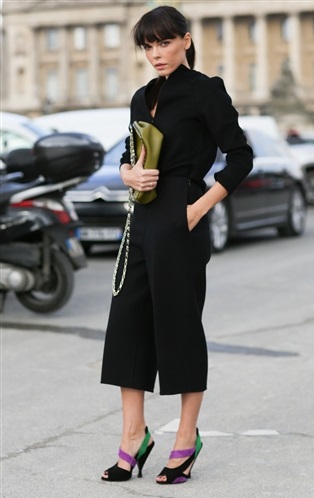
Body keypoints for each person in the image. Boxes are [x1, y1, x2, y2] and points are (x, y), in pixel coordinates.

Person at [100, 6, 253, 485]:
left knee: (180, 326)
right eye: (147, 46)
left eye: (163, 43)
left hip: (182, 215)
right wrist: (128, 173)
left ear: (185, 41)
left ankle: (185, 438)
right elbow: (131, 153)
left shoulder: (207, 90)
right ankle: (133, 437)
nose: (155, 54)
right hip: (139, 218)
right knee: (126, 325)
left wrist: (199, 206)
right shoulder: (139, 98)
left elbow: (241, 156)